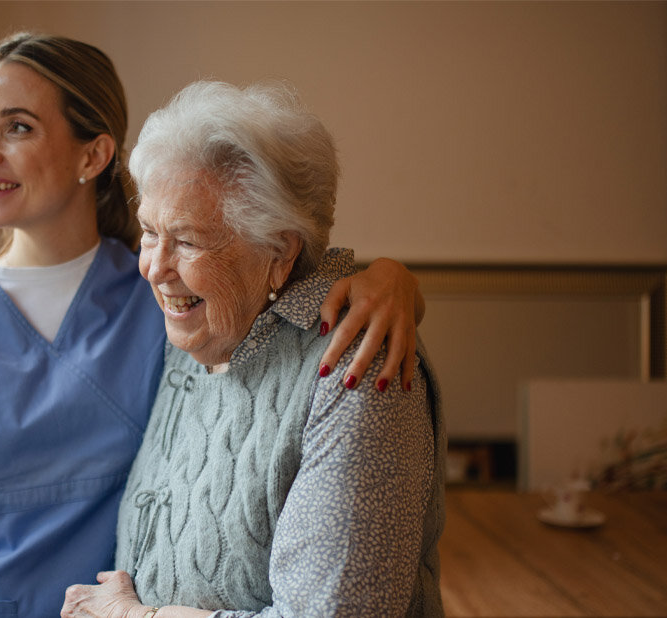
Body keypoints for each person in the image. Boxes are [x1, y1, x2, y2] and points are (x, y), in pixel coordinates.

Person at [0, 33, 426, 618]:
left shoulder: (166, 305)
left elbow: (282, 295)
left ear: (93, 155)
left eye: (18, 125)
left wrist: (390, 277)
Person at [61, 81, 444, 617]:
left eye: (188, 240)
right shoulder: (202, 328)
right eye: (149, 231)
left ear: (280, 252)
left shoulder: (356, 368)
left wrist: (134, 616)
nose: (154, 265)